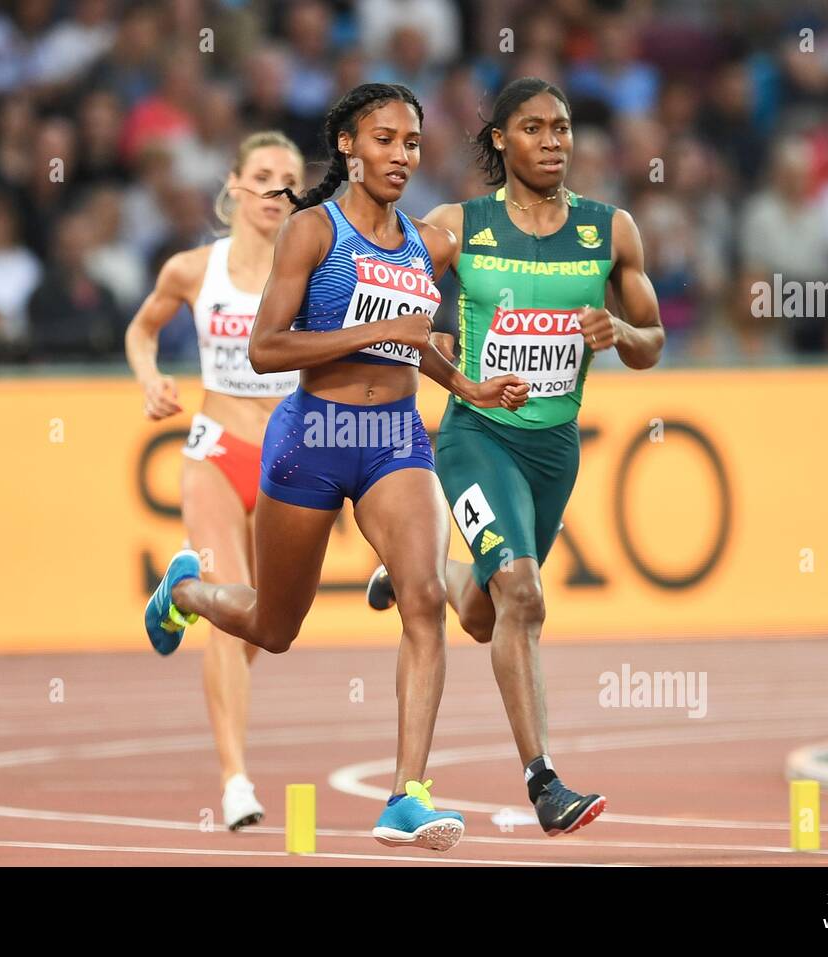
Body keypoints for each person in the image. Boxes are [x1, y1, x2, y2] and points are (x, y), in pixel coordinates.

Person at [144, 83, 528, 851]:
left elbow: (414, 338)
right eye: (385, 139)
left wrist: (466, 384)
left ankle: (406, 795)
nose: (401, 155)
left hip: (394, 437)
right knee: (274, 627)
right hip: (312, 434)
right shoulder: (311, 233)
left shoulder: (421, 241)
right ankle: (185, 588)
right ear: (350, 148)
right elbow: (266, 348)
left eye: (413, 143)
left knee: (424, 598)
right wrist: (365, 333)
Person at [367, 76, 664, 836]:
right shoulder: (455, 226)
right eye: (534, 128)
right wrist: (452, 365)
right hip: (476, 435)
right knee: (525, 598)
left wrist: (619, 335)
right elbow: (403, 319)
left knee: (480, 613)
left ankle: (424, 575)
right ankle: (544, 783)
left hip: (553, 450)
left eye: (562, 127)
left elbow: (651, 340)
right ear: (500, 140)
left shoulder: (611, 230)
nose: (554, 140)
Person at [125, 131, 304, 830]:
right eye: (261, 176)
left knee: (268, 624)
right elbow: (142, 330)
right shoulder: (194, 269)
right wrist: (150, 380)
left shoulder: (318, 275)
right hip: (216, 451)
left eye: (289, 179)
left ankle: (178, 594)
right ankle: (235, 780)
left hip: (291, 462)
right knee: (231, 621)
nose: (274, 191)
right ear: (233, 185)